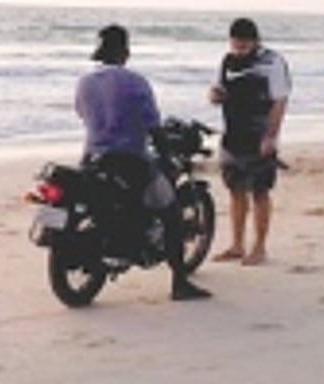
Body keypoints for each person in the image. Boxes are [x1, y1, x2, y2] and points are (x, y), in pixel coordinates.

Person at [76, 25, 212, 301]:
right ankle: (180, 284)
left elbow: (83, 114)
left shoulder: (85, 82)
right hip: (132, 162)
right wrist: (168, 156)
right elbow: (152, 125)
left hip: (92, 159)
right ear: (125, 52)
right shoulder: (136, 82)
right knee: (172, 212)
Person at [208, 18, 291, 266]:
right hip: (233, 133)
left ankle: (259, 247)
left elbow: (280, 100)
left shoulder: (272, 62)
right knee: (235, 190)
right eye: (235, 44)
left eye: (244, 45)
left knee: (260, 191)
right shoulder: (227, 60)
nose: (239, 49)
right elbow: (215, 91)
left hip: (260, 134)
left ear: (255, 41)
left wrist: (270, 136)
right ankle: (236, 245)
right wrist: (215, 96)